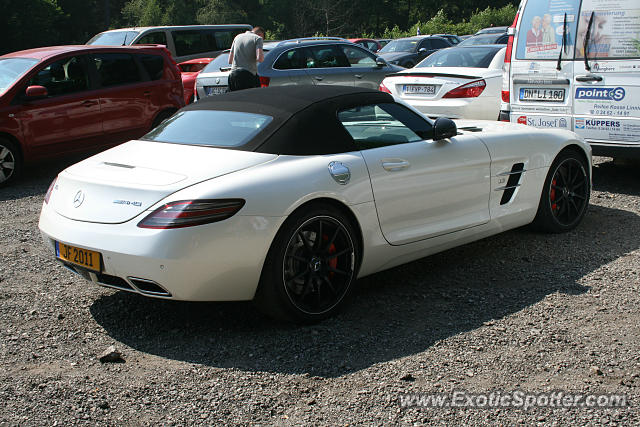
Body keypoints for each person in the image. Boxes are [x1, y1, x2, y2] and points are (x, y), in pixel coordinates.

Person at [228, 26, 265, 91]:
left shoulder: (237, 37)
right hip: (247, 75)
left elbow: (230, 60)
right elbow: (260, 59)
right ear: (260, 34)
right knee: (250, 99)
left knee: (235, 100)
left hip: (233, 75)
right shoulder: (258, 38)